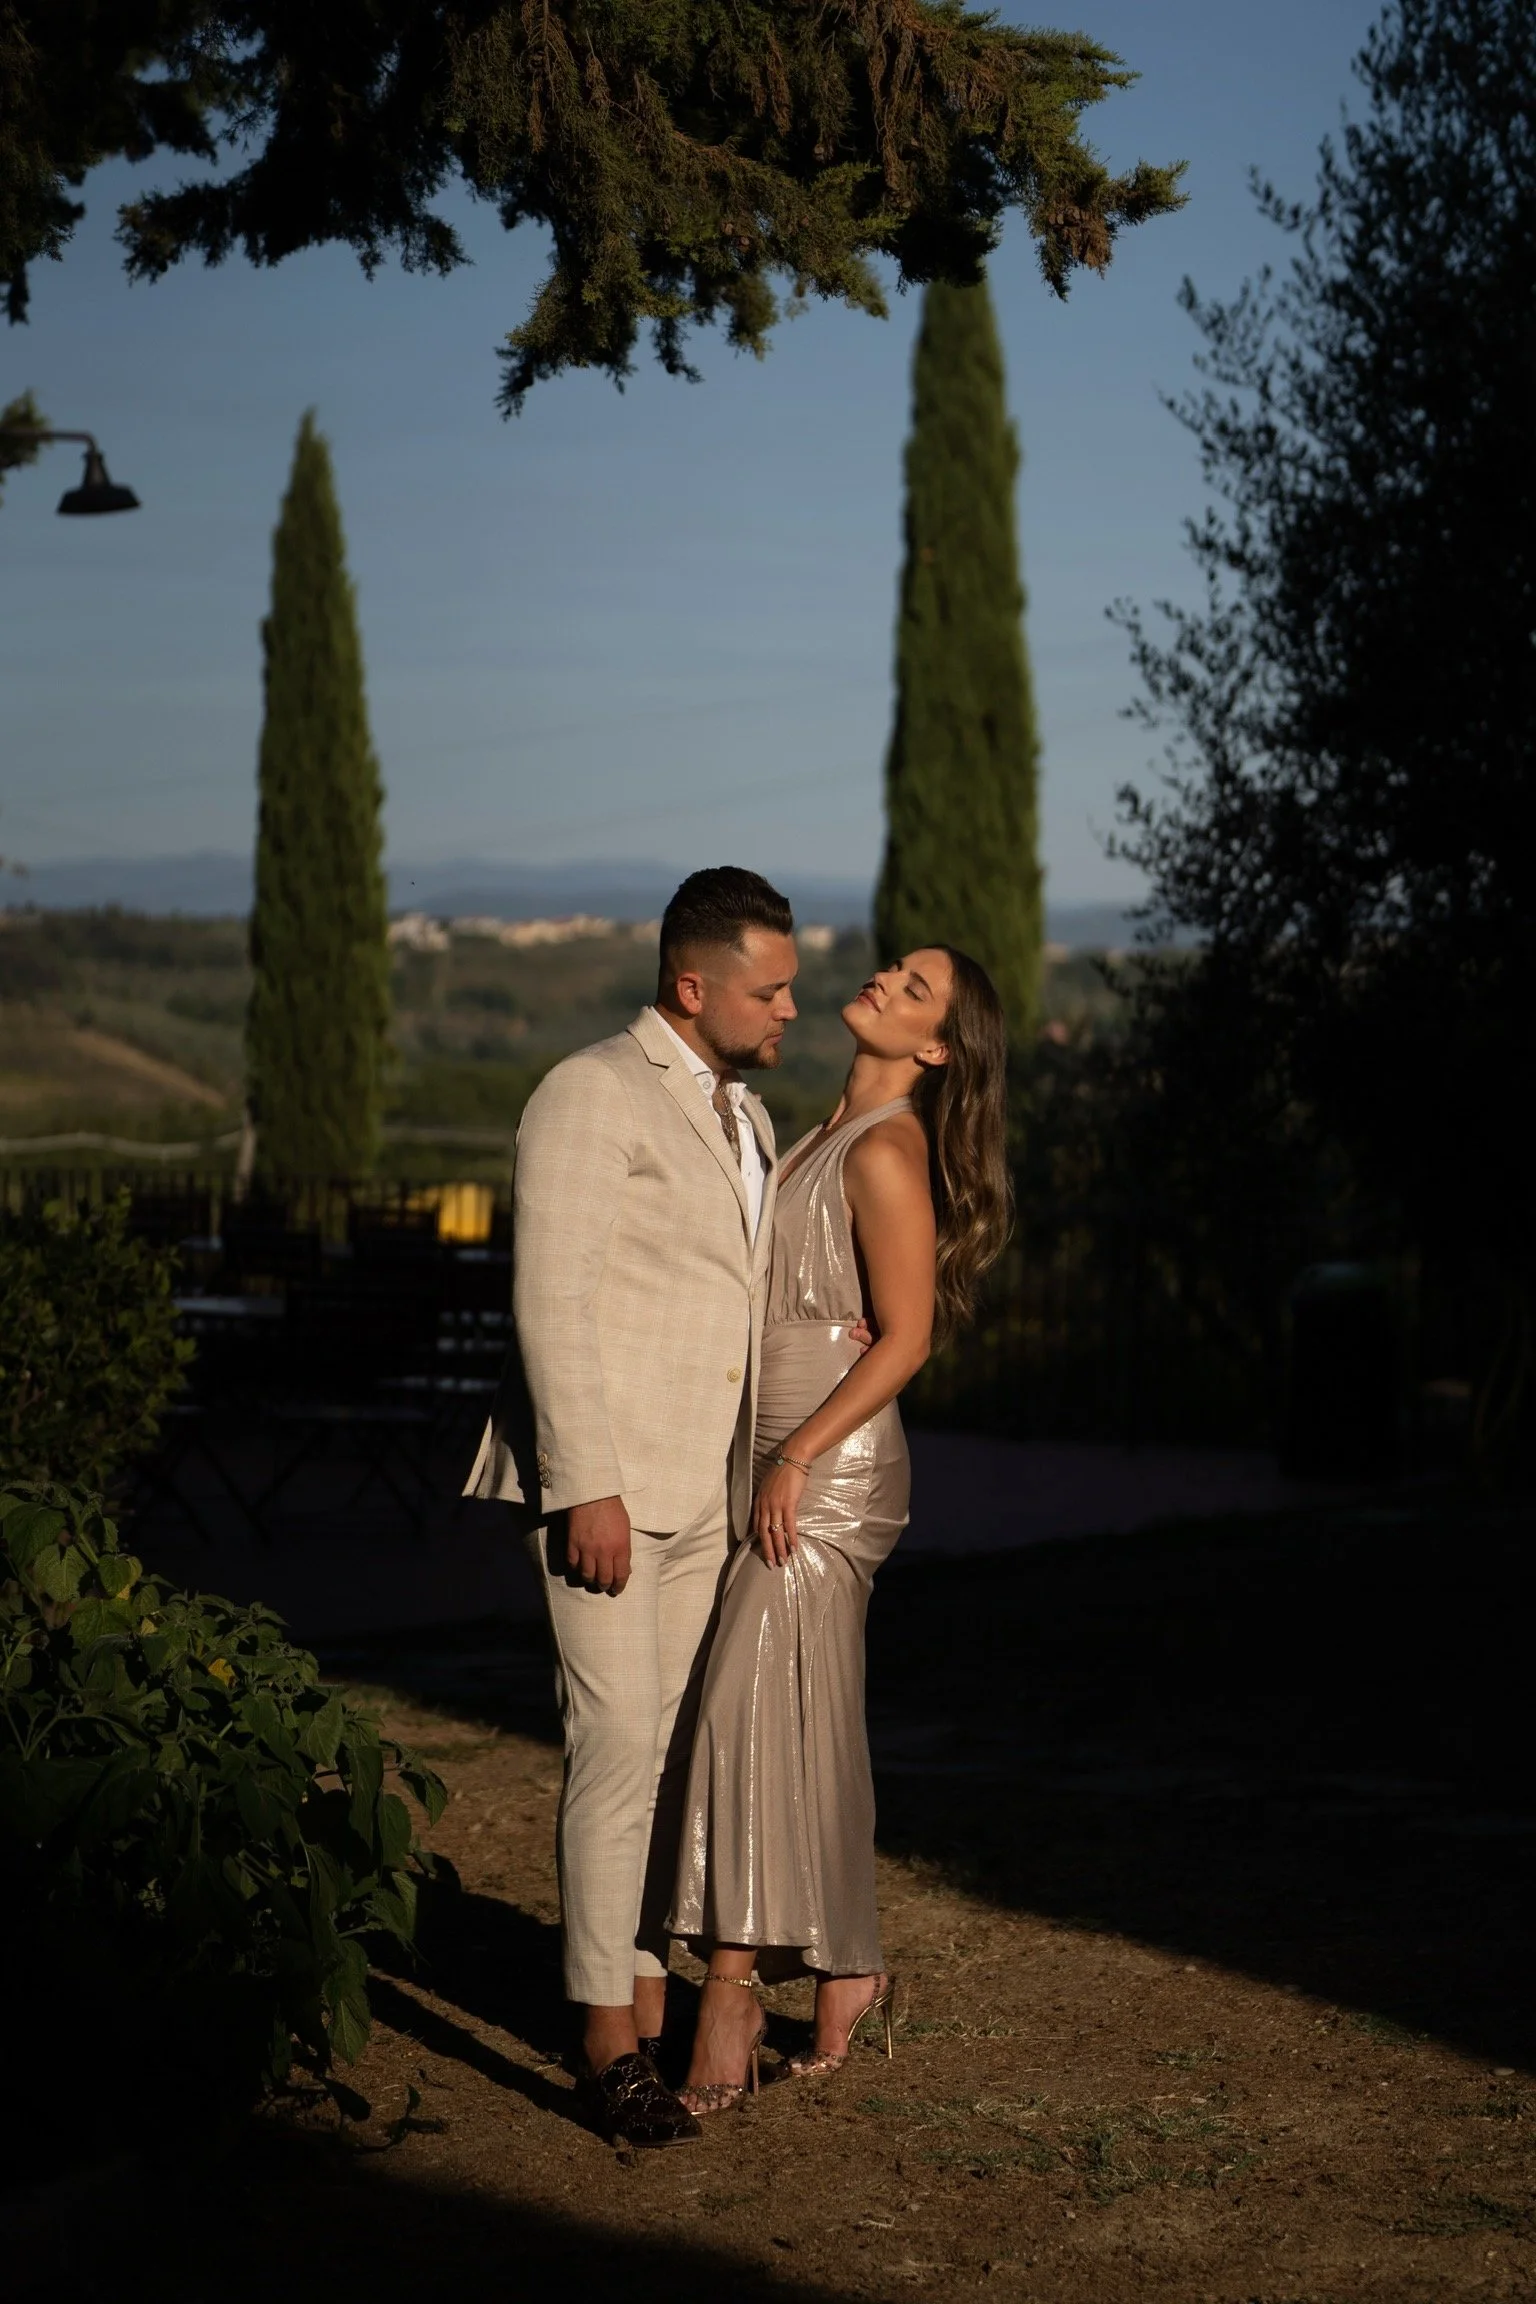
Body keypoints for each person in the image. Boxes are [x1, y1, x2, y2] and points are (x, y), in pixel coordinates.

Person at [464, 866, 799, 2148]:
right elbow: (549, 1302)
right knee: (613, 1750)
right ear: (691, 985)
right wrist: (584, 1484)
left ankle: (647, 1999)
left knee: (670, 1757)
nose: (788, 1010)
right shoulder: (588, 1092)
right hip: (608, 1489)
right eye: (769, 992)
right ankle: (605, 2043)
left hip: (707, 1489)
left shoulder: (746, 1114)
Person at [667, 944, 1012, 2112]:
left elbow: (908, 1338)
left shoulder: (886, 1147)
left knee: (745, 1706)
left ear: (937, 1049)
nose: (882, 983)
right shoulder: (821, 1134)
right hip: (775, 1457)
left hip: (826, 1473)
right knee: (798, 1720)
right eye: (893, 969)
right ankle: (851, 1967)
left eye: (914, 992)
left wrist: (800, 1455)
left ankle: (728, 1990)